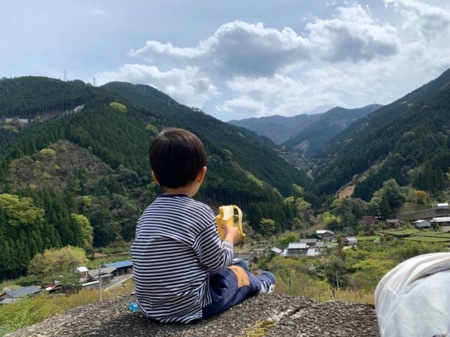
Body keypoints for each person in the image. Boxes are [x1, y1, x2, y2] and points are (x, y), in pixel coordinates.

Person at [131, 127, 276, 324]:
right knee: (240, 275)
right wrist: (229, 238)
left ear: (155, 176)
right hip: (193, 306)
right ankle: (263, 284)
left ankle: (241, 270)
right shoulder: (199, 212)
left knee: (235, 266)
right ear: (201, 174)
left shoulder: (146, 215)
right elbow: (216, 262)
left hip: (150, 308)